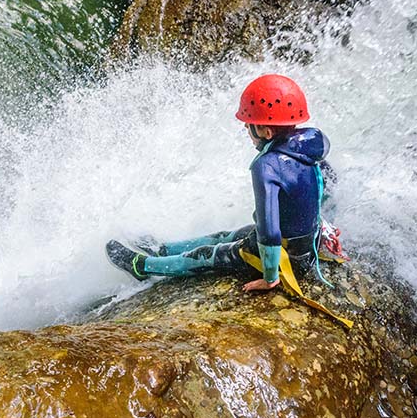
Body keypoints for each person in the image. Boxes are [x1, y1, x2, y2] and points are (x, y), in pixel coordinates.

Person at [106, 73, 343, 294]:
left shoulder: (267, 166)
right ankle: (163, 250)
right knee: (229, 235)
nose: (245, 127)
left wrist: (270, 277)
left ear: (266, 132)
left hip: (287, 259)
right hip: (305, 247)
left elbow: (270, 232)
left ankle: (143, 267)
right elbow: (327, 184)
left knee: (209, 255)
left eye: (249, 124)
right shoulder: (312, 143)